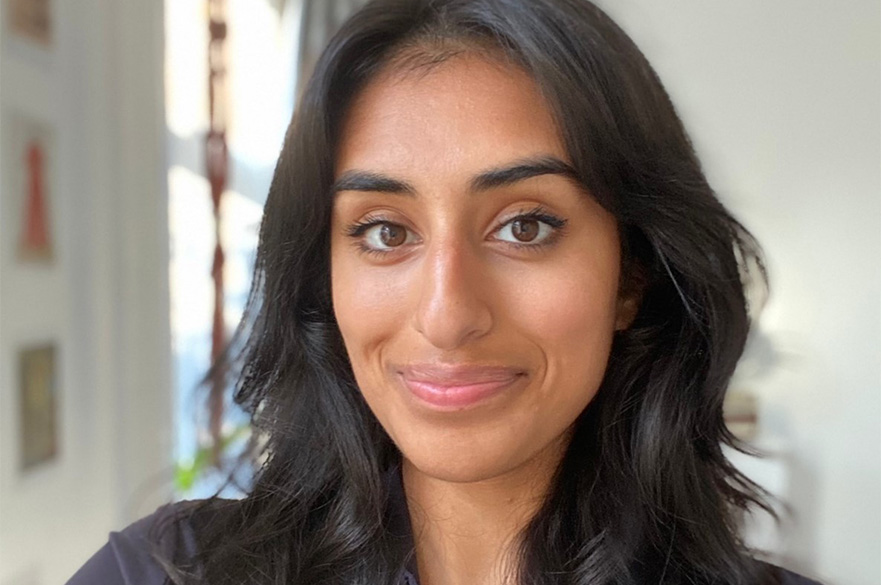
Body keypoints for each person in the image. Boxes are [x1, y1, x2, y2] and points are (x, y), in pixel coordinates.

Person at [68, 0, 822, 584]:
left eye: (524, 226)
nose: (447, 314)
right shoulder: (161, 573)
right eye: (385, 231)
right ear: (320, 276)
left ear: (633, 273)